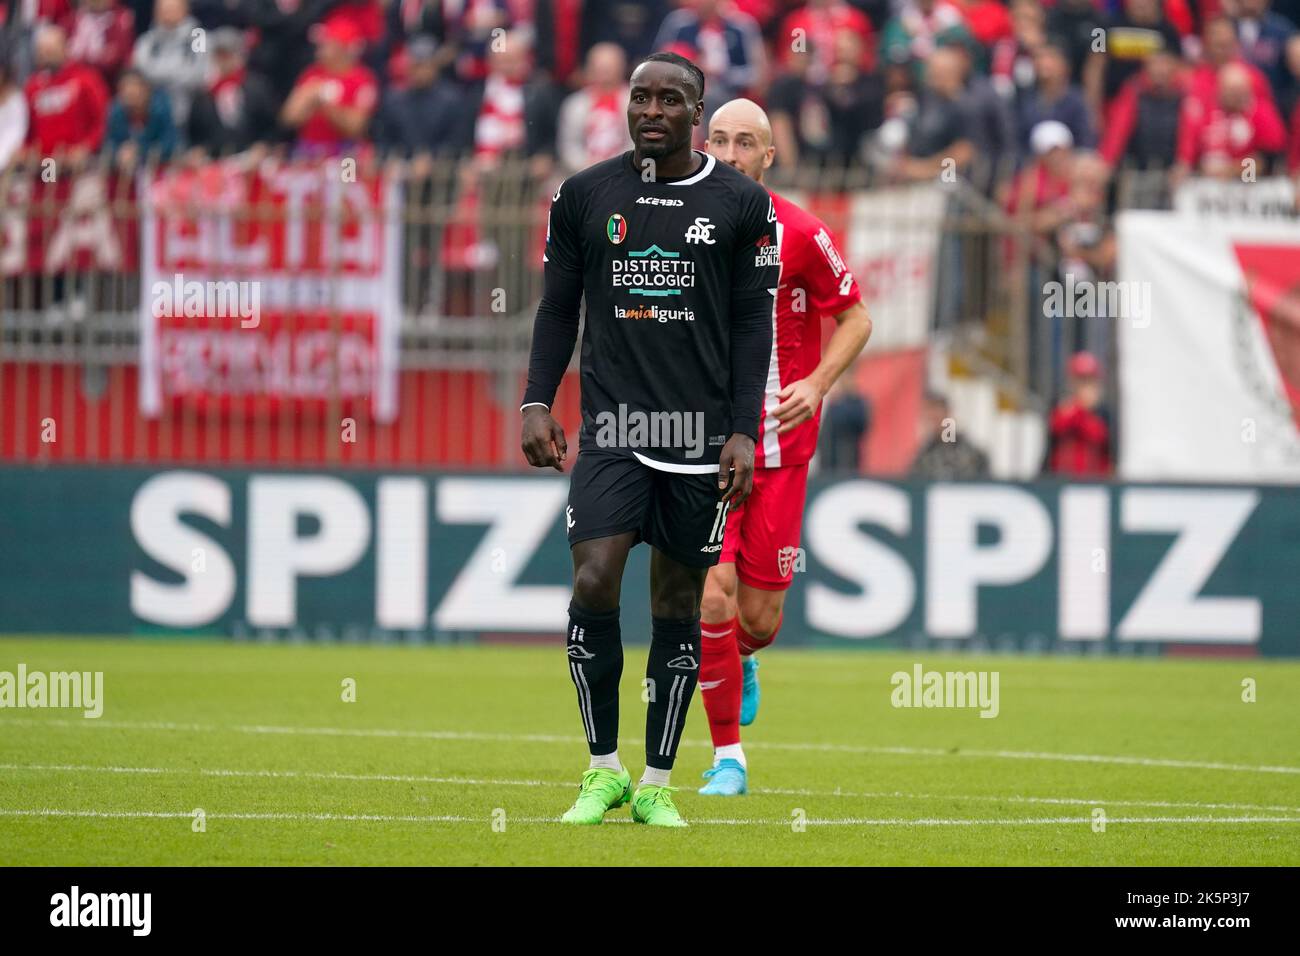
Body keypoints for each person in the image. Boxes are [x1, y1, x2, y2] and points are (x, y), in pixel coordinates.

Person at [519, 52, 778, 827]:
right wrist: (537, 398)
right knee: (594, 581)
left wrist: (741, 429)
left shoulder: (740, 204)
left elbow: (750, 323)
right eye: (641, 97)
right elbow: (557, 308)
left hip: (699, 438)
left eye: (671, 98)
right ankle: (603, 769)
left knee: (676, 602)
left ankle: (659, 782)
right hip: (615, 430)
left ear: (696, 111)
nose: (653, 110)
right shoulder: (585, 194)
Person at [694, 97, 872, 797]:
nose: (731, 153)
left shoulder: (800, 231)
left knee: (759, 619)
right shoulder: (684, 227)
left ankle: (743, 658)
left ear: (769, 156)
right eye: (720, 139)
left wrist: (820, 382)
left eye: (746, 143)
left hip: (783, 446)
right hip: (708, 448)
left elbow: (856, 318)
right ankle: (728, 760)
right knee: (713, 592)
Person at [1044, 351, 1112, 476]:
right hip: (1062, 481)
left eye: (1089, 381)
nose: (1084, 387)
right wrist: (1078, 409)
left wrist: (1081, 411)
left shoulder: (1104, 413)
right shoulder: (1060, 406)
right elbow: (1056, 426)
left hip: (1094, 484)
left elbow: (1099, 436)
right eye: (1081, 381)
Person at [910, 391, 990, 478]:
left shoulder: (969, 453)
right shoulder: (923, 453)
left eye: (936, 414)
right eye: (927, 415)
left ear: (947, 414)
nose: (931, 419)